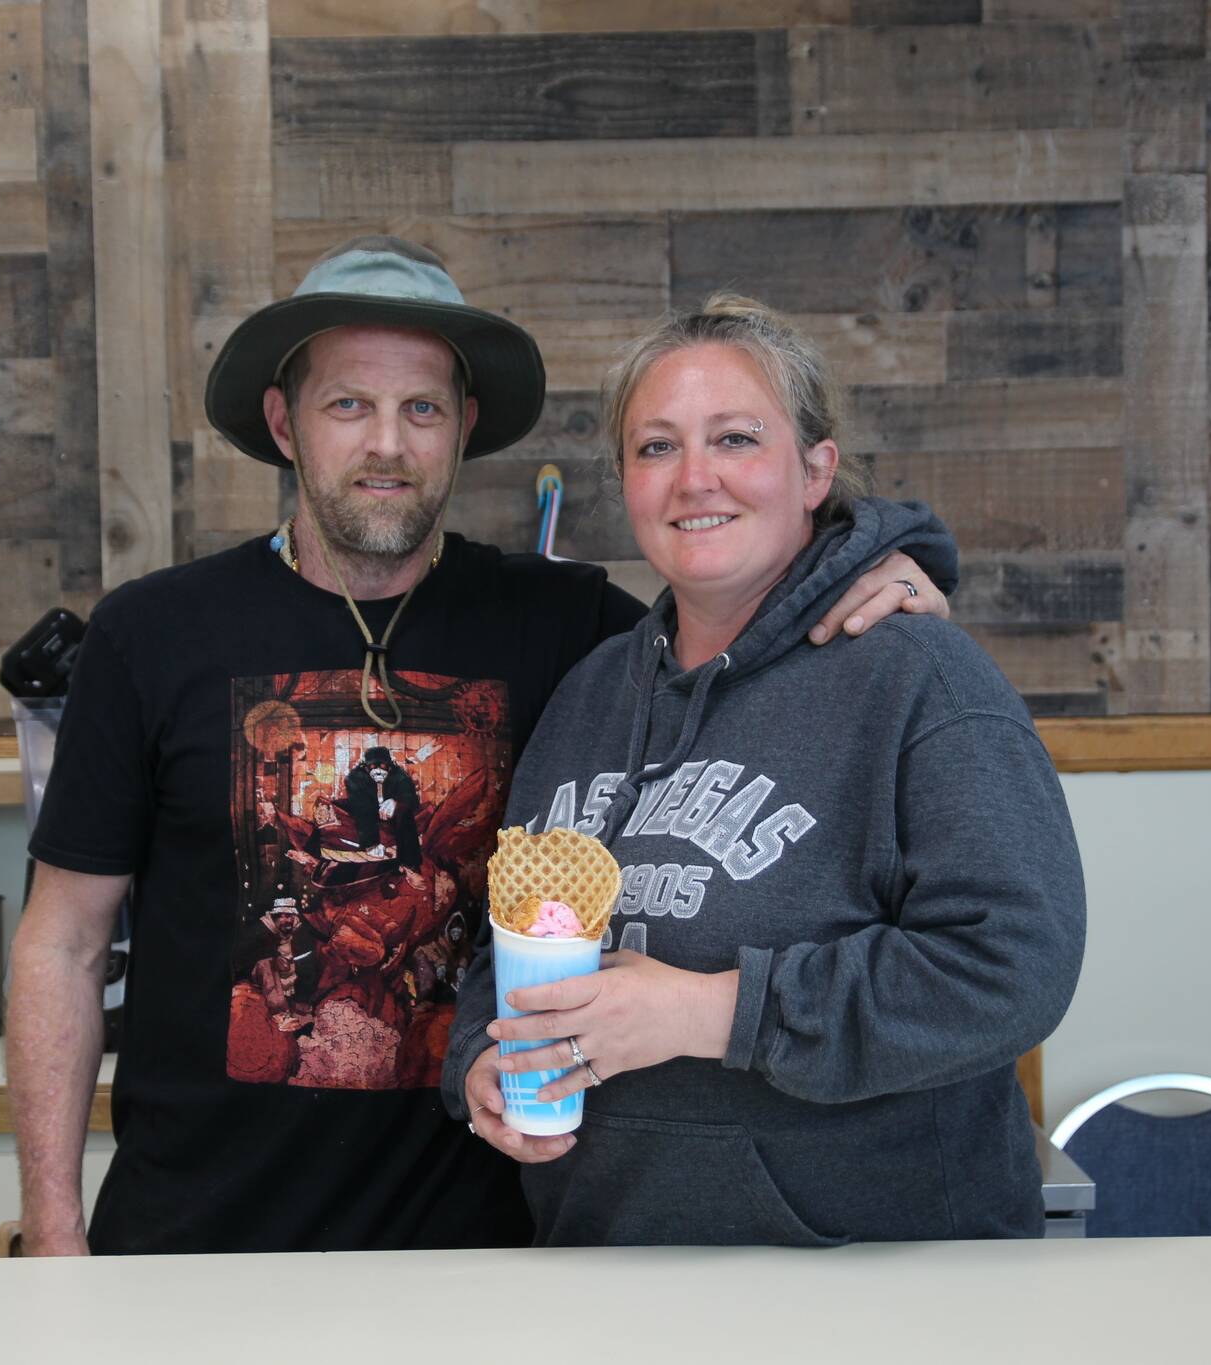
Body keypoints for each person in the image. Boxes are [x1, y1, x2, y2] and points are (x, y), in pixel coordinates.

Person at [6, 238, 956, 1256]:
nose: (387, 444)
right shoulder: (152, 635)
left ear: (461, 427)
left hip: (483, 1249)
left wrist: (891, 563)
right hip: (194, 1244)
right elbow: (62, 943)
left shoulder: (569, 628)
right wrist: (53, 1227)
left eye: (421, 408)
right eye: (347, 405)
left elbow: (742, 609)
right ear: (284, 424)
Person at [444, 294, 1086, 1245]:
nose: (694, 478)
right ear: (625, 482)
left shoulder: (919, 676)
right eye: (656, 447)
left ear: (815, 469)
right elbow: (505, 944)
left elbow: (1013, 966)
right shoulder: (588, 696)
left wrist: (709, 1012)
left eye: (736, 438)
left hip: (879, 1282)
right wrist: (479, 1059)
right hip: (607, 1267)